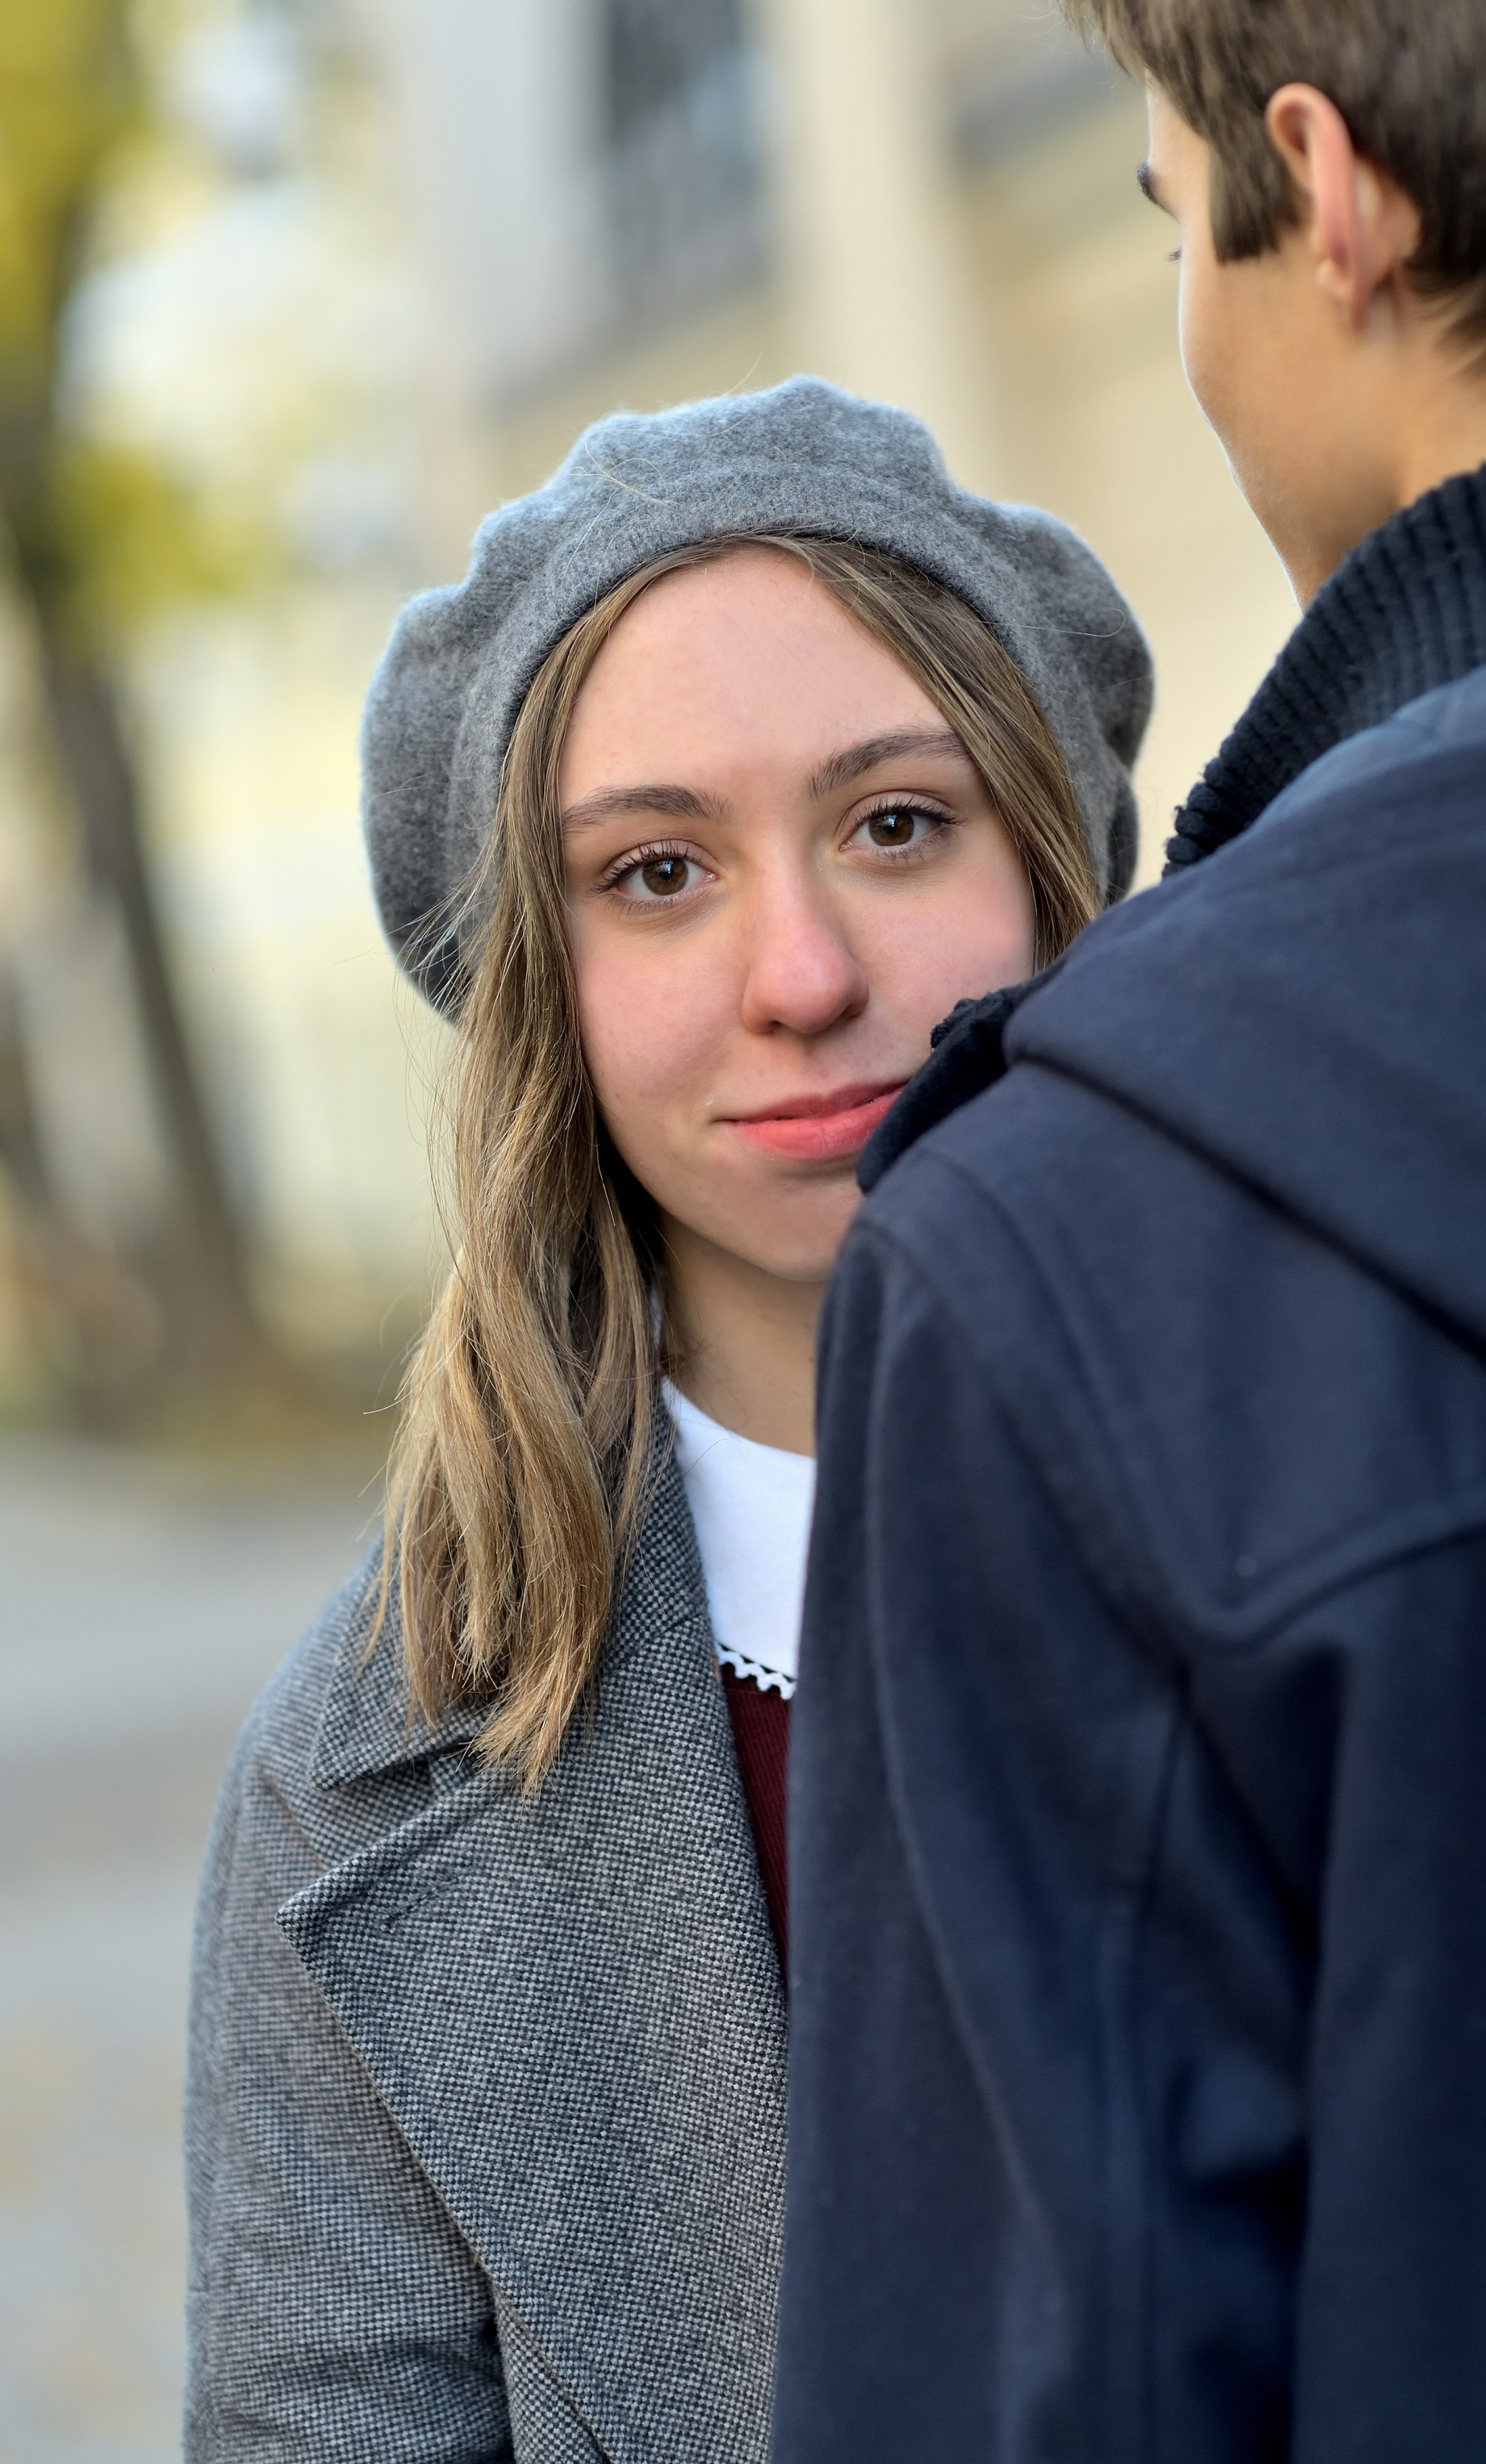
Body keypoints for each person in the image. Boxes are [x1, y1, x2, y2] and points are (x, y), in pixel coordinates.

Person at [182, 377, 1149, 2461]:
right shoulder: (350, 1790)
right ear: (545, 986)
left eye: (898, 824)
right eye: (654, 874)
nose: (798, 973)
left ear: (1056, 866)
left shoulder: (1370, 1530)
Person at [774, 7, 1486, 2462]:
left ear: (1335, 193)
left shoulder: (1075, 1239)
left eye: (1179, 225)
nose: (797, 971)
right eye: (653, 871)